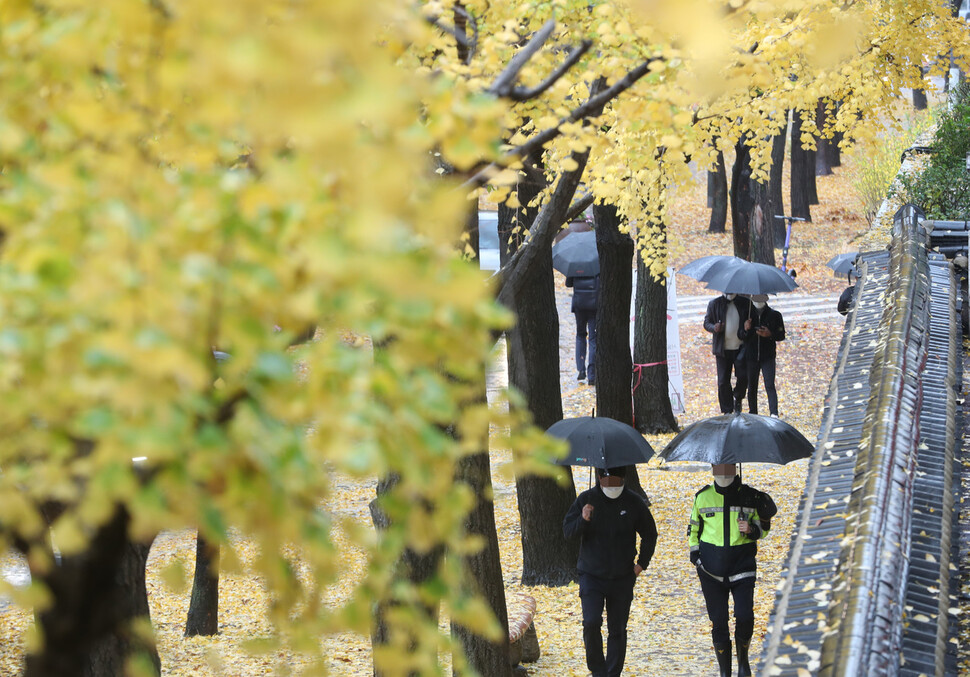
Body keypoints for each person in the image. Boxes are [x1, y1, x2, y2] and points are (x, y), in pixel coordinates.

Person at [563, 466, 658, 677]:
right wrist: (583, 519)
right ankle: (598, 671)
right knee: (591, 622)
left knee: (617, 628)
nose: (612, 485)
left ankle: (613, 672)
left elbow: (650, 534)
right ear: (599, 477)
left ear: (623, 478)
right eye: (607, 480)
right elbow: (568, 532)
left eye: (617, 480)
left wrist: (641, 564)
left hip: (623, 576)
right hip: (591, 575)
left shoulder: (633, 502)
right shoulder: (586, 499)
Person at [688, 464, 777, 677]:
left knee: (744, 615)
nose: (723, 471)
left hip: (742, 568)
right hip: (711, 572)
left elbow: (764, 528)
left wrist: (752, 529)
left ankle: (743, 663)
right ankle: (725, 671)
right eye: (718, 465)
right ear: (712, 467)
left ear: (736, 467)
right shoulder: (703, 497)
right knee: (718, 621)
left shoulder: (750, 496)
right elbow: (693, 529)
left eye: (728, 465)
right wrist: (696, 558)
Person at [703, 292, 752, 414]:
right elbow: (706, 323)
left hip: (740, 347)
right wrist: (714, 327)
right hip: (722, 349)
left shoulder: (745, 303)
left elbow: (752, 321)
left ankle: (738, 397)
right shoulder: (714, 304)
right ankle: (727, 410)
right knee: (723, 381)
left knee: (743, 376)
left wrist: (747, 327)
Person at [739, 294, 786, 417]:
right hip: (751, 356)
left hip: (768, 356)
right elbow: (740, 335)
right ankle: (753, 412)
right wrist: (745, 328)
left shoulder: (775, 315)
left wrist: (770, 334)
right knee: (752, 386)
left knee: (769, 384)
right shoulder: (746, 313)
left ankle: (774, 412)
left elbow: (781, 335)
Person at [566, 274, 599, 385]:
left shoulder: (575, 262)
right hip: (594, 304)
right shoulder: (597, 262)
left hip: (579, 304)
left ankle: (581, 369)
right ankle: (592, 375)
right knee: (593, 339)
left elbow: (568, 283)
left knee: (580, 335)